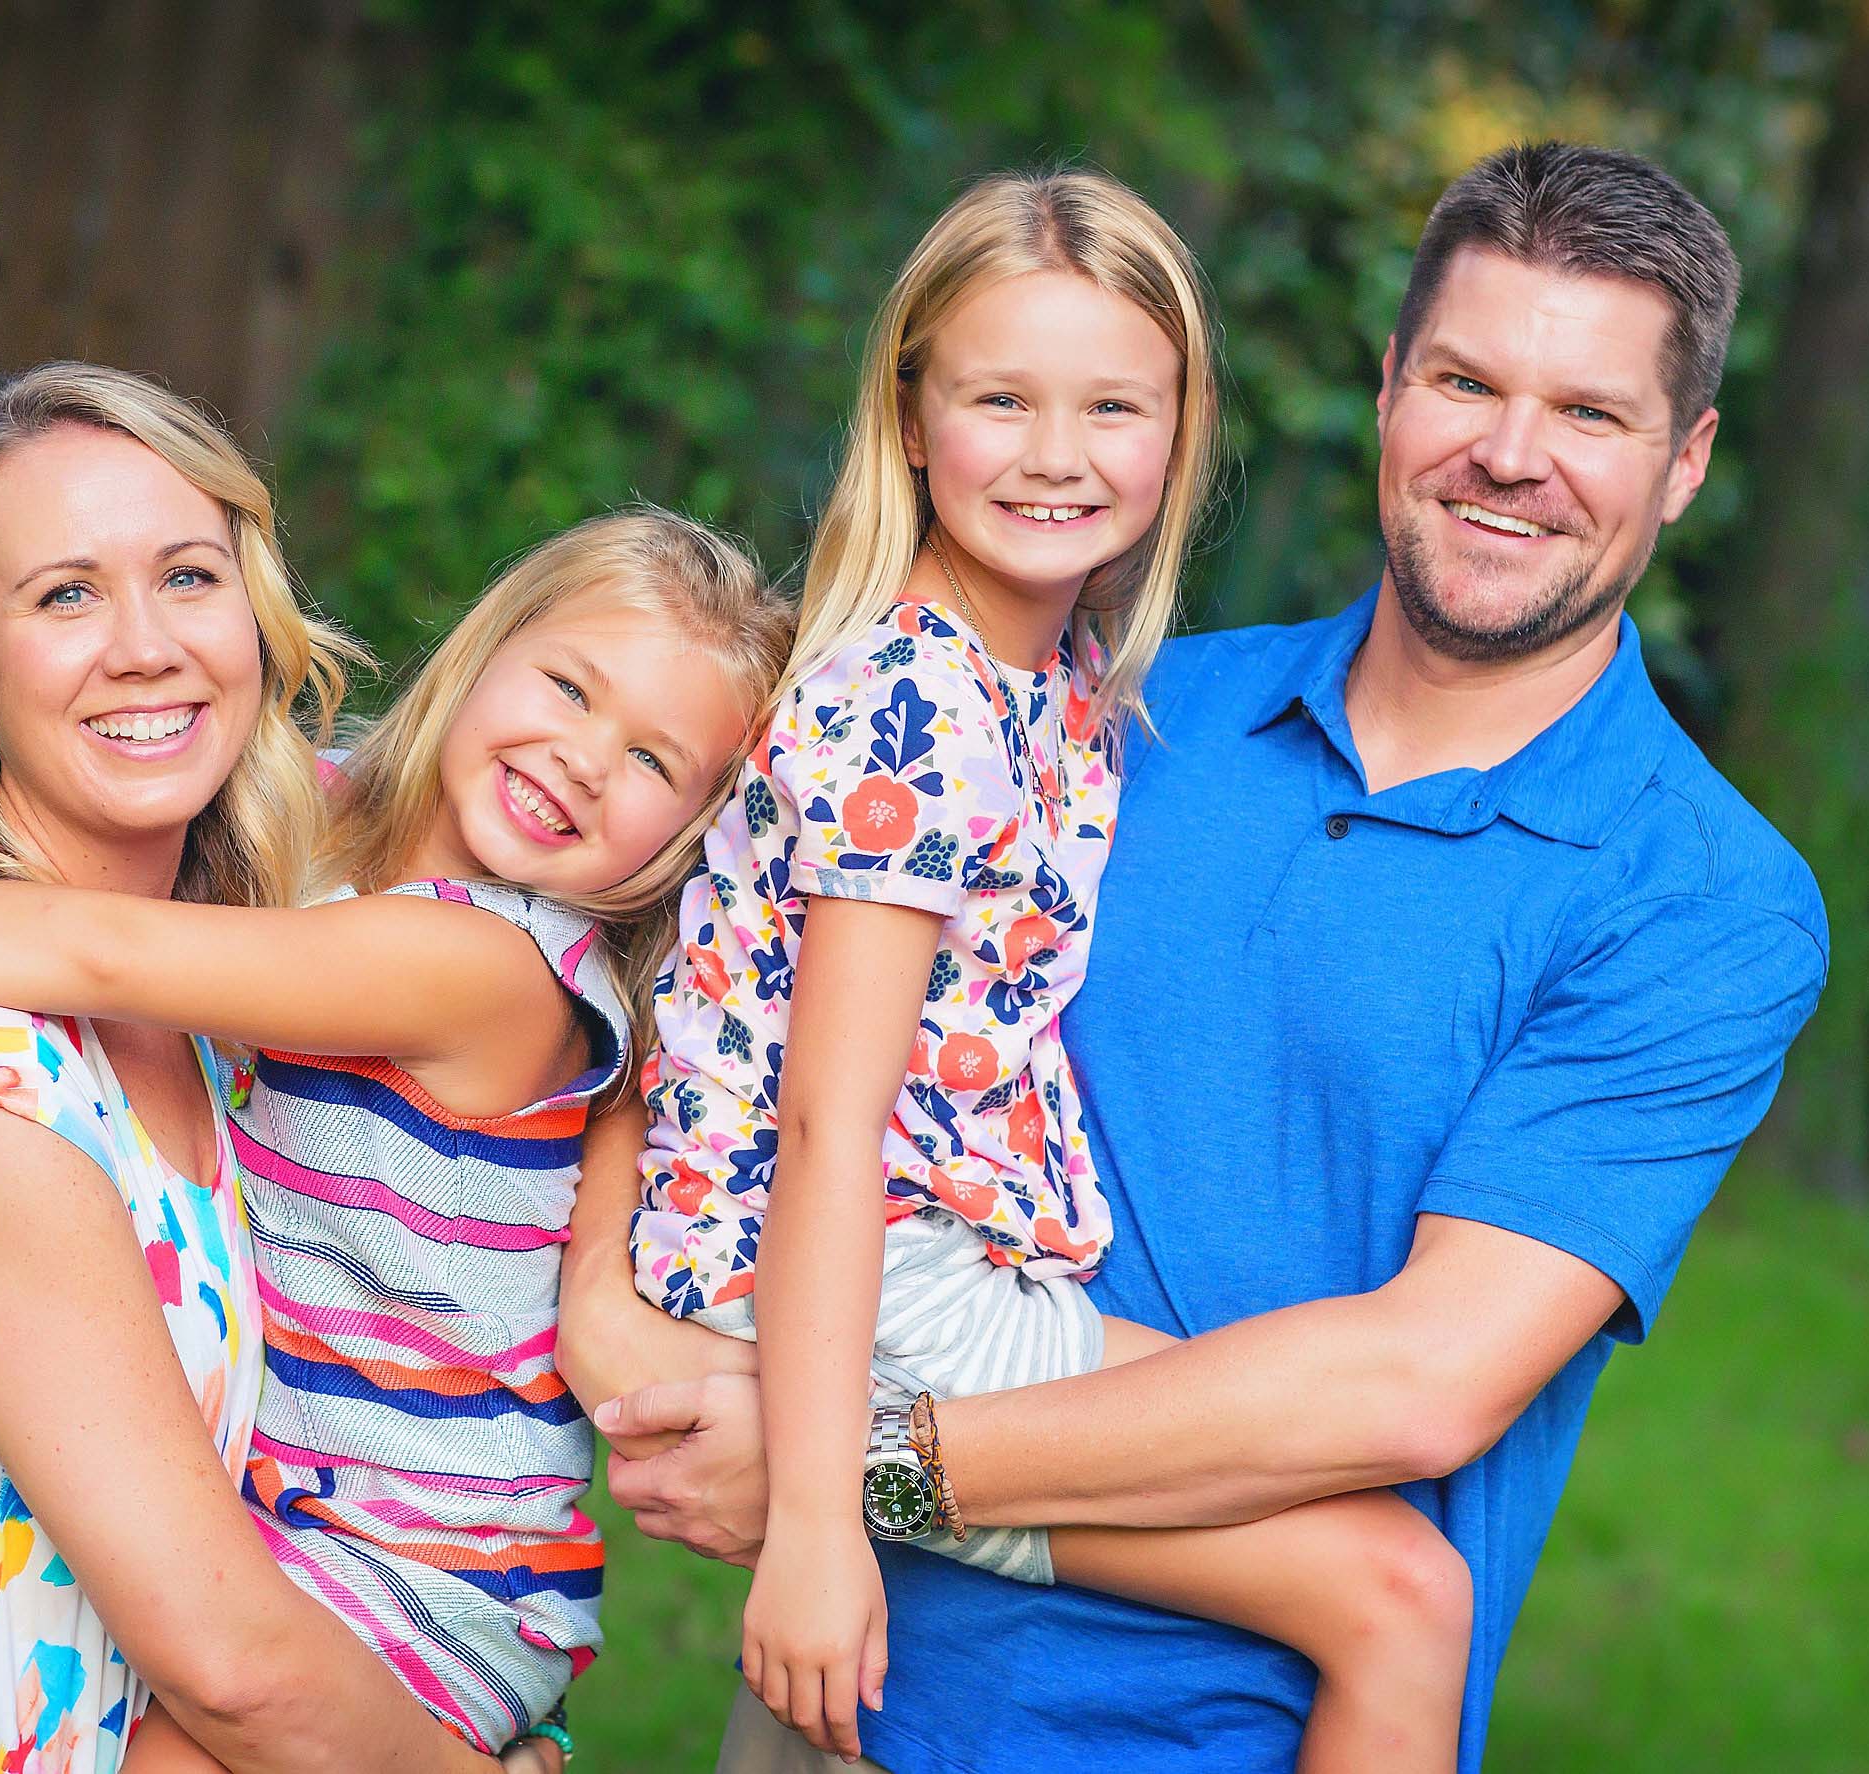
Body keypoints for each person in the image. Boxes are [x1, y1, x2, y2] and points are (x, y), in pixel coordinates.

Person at [567, 141, 1828, 1773]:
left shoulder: (1700, 895)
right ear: (1386, 390)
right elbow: (716, 970)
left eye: (1591, 413)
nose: (1513, 455)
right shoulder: (1121, 709)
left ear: (1687, 461)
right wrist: (602, 1295)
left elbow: (1417, 1385)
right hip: (847, 1702)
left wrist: (838, 1460)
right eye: (1465, 379)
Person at [0, 502, 792, 1767]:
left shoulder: (486, 962)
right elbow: (48, 895)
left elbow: (104, 949)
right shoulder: (318, 816)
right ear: (485, 650)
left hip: (426, 1564)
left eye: (653, 762)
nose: (586, 757)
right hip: (296, 1513)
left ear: (689, 838)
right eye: (570, 687)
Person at [624, 167, 1471, 1771]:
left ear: (1181, 425)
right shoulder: (915, 712)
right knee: (1400, 1585)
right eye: (1002, 398)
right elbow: (829, 1128)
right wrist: (816, 1517)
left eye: (1113, 406)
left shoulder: (1055, 677)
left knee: (1362, 1502)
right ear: (913, 406)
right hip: (878, 1283)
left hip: (929, 1273)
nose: (1058, 455)